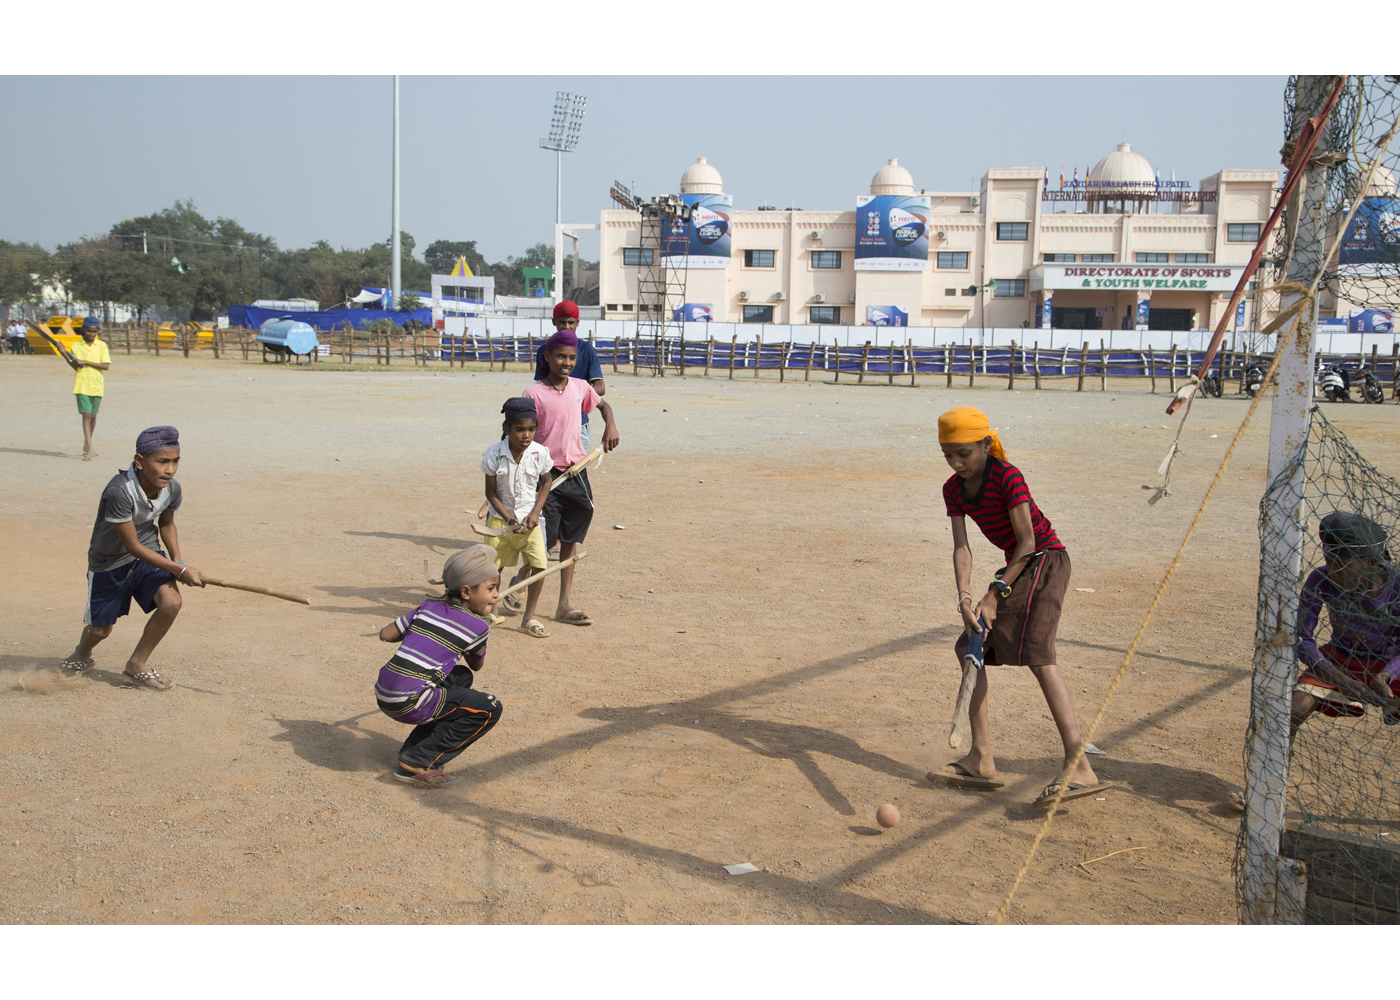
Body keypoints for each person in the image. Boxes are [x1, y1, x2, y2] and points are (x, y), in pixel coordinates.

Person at [931, 406, 1099, 807]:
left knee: (1040, 656)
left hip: (1044, 560)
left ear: (986, 444)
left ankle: (1080, 766)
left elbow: (1028, 542)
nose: (957, 464)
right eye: (948, 455)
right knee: (969, 648)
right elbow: (961, 547)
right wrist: (965, 598)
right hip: (1014, 568)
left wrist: (993, 594)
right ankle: (981, 758)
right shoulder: (953, 489)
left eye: (965, 453)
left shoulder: (1008, 475)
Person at [61, 426, 204, 690]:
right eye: (162, 461)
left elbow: (167, 524)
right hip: (110, 562)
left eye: (175, 461)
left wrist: (178, 562)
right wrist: (178, 570)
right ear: (139, 461)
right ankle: (81, 654)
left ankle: (137, 663)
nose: (170, 469)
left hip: (147, 555)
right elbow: (132, 546)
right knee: (101, 630)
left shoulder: (171, 488)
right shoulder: (119, 491)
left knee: (171, 602)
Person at [375, 545, 504, 788]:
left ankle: (414, 751)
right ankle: (419, 761)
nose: (496, 595)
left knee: (460, 677)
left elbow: (386, 634)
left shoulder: (427, 607)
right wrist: (478, 632)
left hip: (385, 692)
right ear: (466, 592)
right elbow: (477, 665)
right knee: (489, 707)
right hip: (409, 701)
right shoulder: (477, 627)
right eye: (491, 588)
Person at [521, 328, 621, 625]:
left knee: (570, 539)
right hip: (545, 476)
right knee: (541, 543)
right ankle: (528, 614)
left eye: (572, 358)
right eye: (561, 356)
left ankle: (564, 604)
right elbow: (518, 433)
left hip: (576, 471)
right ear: (547, 357)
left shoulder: (580, 387)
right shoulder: (533, 393)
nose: (566, 362)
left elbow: (604, 405)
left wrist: (610, 425)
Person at [1292, 512, 1400, 731]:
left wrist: (1387, 674)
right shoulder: (1320, 580)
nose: (1333, 571)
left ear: (1371, 561)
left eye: (1342, 564)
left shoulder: (1396, 587)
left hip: (1390, 662)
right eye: (1329, 561)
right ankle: (1277, 764)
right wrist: (1336, 676)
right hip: (1340, 659)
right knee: (1293, 711)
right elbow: (1302, 637)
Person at [481, 397, 553, 638]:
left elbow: (546, 483)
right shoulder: (494, 454)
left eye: (531, 429)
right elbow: (490, 493)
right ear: (507, 429)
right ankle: (491, 610)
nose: (526, 435)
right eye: (520, 429)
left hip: (531, 522)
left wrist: (534, 513)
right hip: (500, 523)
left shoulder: (540, 453)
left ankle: (529, 617)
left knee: (539, 567)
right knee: (494, 568)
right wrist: (509, 518)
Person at [533, 300, 610, 456]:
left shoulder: (587, 350)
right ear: (554, 322)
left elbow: (600, 387)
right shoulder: (544, 350)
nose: (566, 327)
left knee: (576, 470)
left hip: (578, 423)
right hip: (550, 423)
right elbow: (541, 387)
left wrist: (573, 397)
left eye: (571, 322)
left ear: (577, 323)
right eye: (562, 322)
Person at [69, 316, 111, 460]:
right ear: (83, 330)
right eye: (89, 331)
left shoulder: (102, 346)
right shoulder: (75, 346)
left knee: (93, 416)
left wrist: (85, 362)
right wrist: (63, 351)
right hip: (82, 385)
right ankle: (90, 448)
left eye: (94, 331)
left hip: (97, 385)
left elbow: (106, 366)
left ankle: (88, 443)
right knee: (86, 415)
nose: (91, 334)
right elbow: (74, 365)